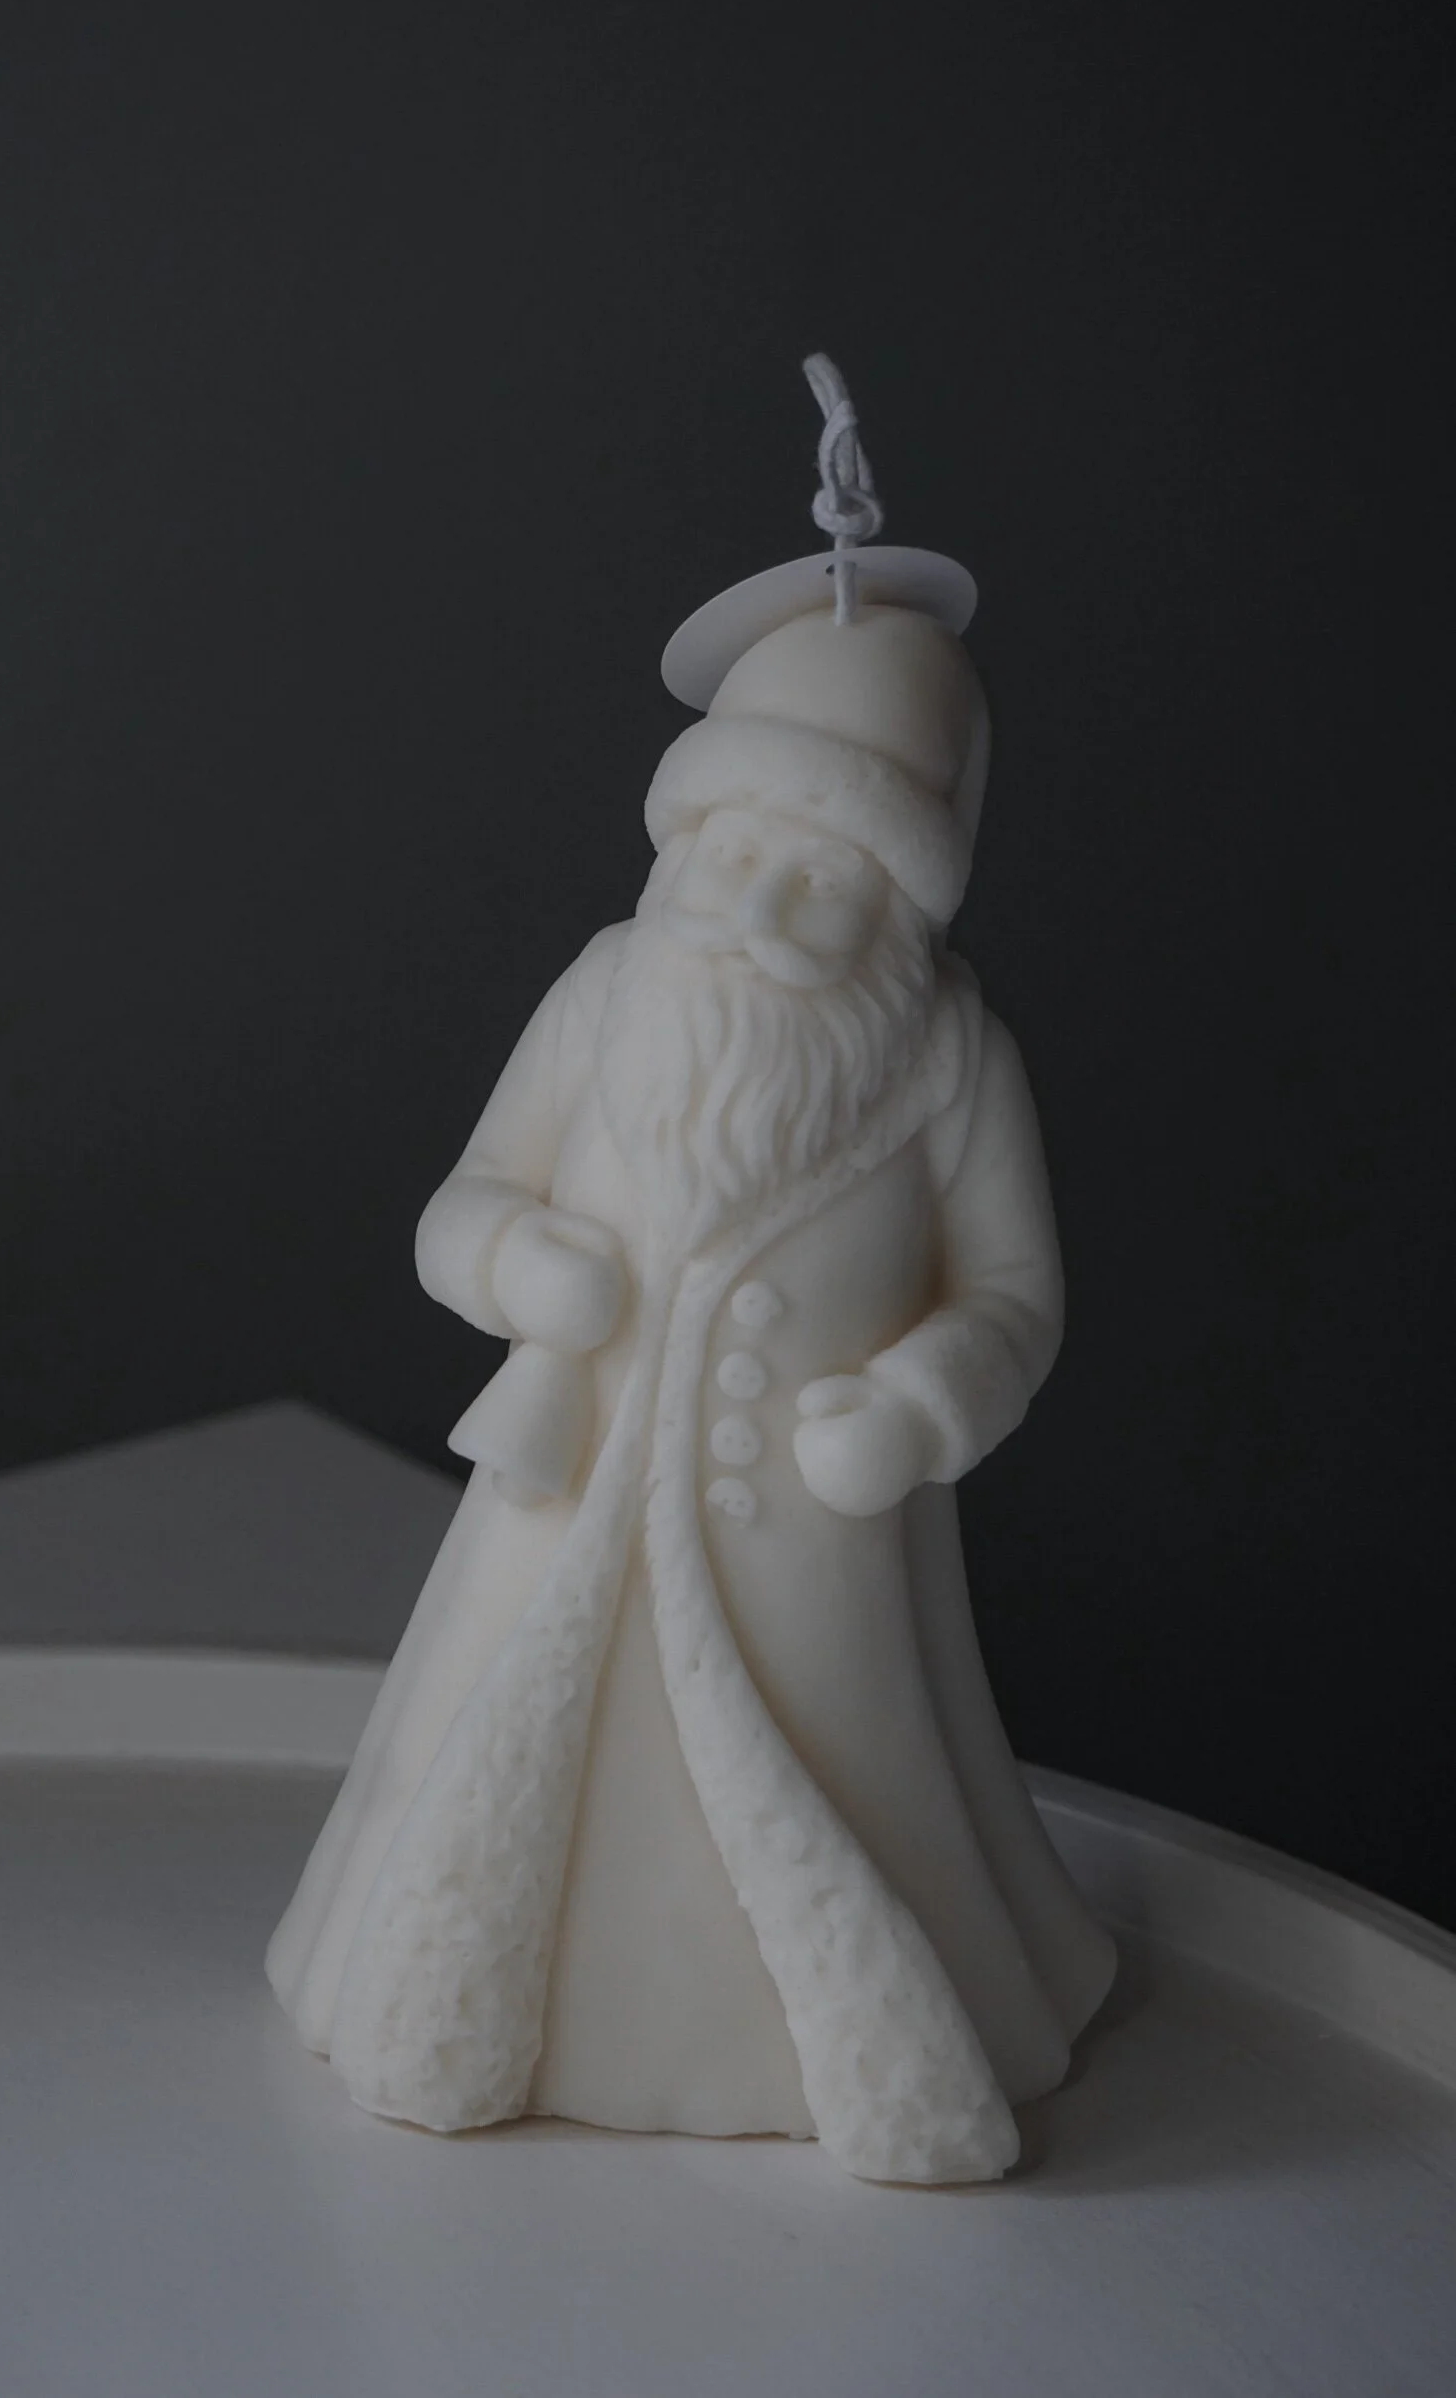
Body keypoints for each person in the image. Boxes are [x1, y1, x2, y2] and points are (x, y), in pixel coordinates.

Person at [268, 593, 1114, 2184]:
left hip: (810, 1539)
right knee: (505, 1756)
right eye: (731, 854)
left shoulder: (948, 1058)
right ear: (677, 843)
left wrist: (921, 1404)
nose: (756, 912)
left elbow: (1014, 1297)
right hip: (567, 1492)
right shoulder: (607, 993)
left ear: (900, 903)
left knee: (845, 1773)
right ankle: (458, 2012)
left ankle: (860, 2044)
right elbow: (466, 1198)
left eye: (823, 880)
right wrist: (515, 1260)